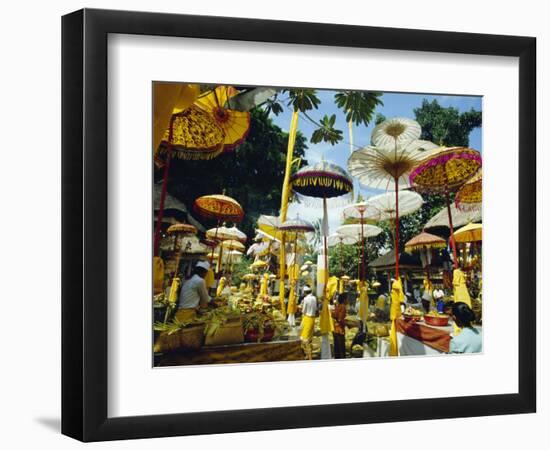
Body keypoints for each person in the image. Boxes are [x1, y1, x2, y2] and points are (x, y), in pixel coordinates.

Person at [299, 285, 317, 359]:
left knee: (304, 339)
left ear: (305, 292)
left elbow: (303, 310)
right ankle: (308, 355)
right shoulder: (314, 298)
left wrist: (301, 309)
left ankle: (309, 357)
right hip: (313, 319)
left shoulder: (306, 299)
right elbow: (315, 308)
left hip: (307, 318)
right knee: (310, 338)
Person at [332, 292, 347, 359]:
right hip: (340, 330)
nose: (347, 300)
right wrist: (347, 323)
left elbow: (334, 315)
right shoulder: (343, 307)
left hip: (335, 329)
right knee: (342, 349)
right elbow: (340, 319)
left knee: (336, 348)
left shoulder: (337, 306)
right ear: (344, 300)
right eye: (347, 299)